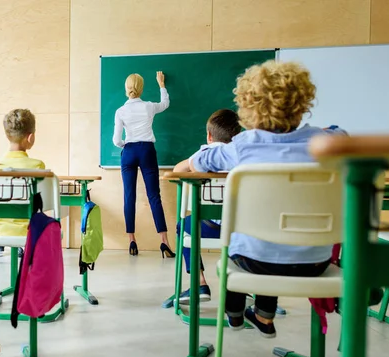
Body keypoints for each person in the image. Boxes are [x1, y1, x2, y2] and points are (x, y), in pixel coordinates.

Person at [189, 60, 344, 338]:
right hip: (315, 262)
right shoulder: (326, 143)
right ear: (302, 102)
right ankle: (264, 317)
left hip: (254, 261)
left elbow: (198, 162)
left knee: (249, 245)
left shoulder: (241, 146)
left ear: (248, 106)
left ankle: (235, 315)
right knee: (274, 239)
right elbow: (342, 134)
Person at [173, 109, 241, 303]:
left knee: (183, 226)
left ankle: (199, 283)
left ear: (209, 135)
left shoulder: (205, 154)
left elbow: (178, 170)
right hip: (241, 228)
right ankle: (250, 289)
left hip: (209, 228)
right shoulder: (244, 155)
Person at [113, 71, 174, 258]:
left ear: (127, 89)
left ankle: (131, 240)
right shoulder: (148, 107)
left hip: (129, 152)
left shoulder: (120, 111)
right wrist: (162, 84)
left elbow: (116, 140)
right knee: (154, 196)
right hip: (147, 151)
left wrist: (127, 146)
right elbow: (165, 104)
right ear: (141, 88)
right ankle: (164, 242)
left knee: (129, 196)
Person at [0, 109, 45, 254]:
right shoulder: (37, 166)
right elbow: (42, 203)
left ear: (7, 135)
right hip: (28, 231)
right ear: (31, 137)